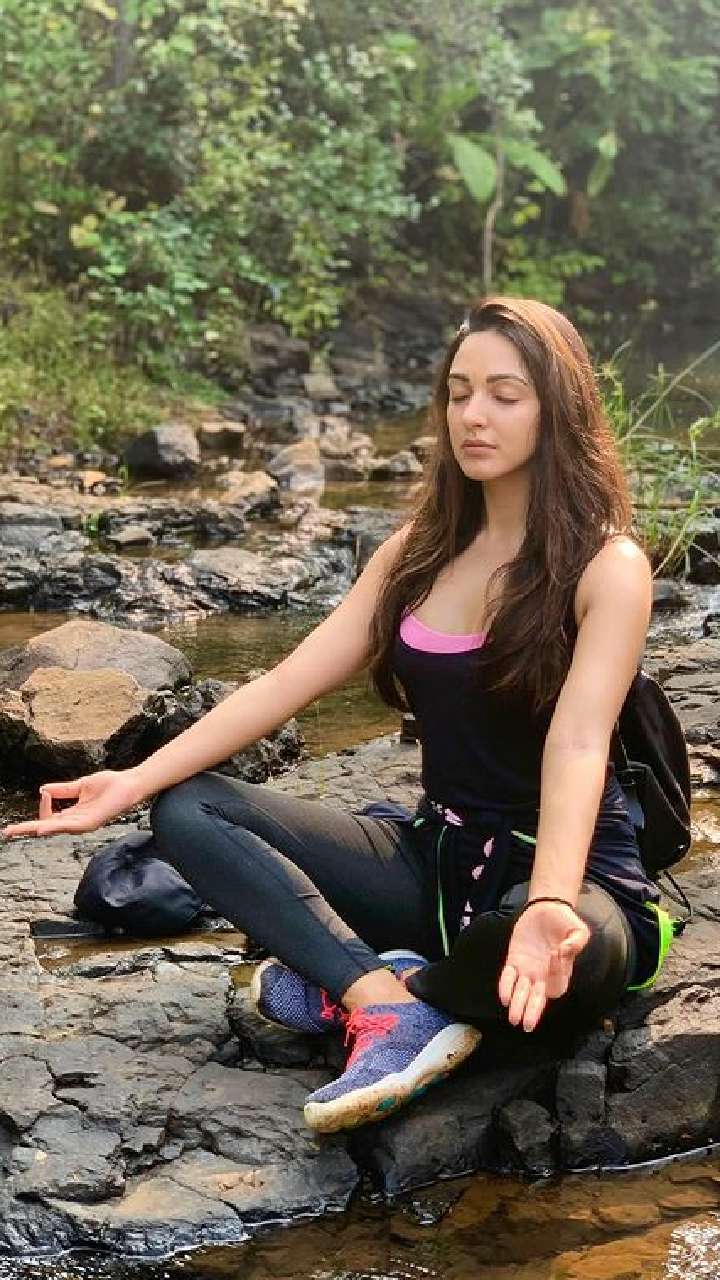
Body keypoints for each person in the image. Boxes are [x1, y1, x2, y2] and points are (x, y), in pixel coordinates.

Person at [3, 296, 663, 1136]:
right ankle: (384, 1000)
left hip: (573, 881)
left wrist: (549, 904)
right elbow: (286, 683)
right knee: (189, 810)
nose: (473, 415)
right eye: (459, 392)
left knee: (569, 960)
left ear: (557, 409)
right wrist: (131, 781)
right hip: (436, 863)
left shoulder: (608, 566)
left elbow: (577, 744)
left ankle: (390, 978)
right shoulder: (417, 553)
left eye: (505, 394)